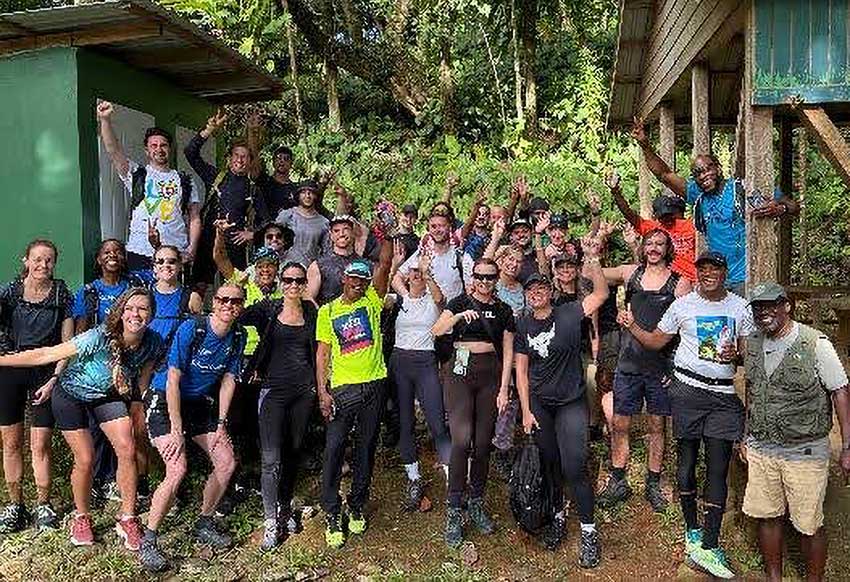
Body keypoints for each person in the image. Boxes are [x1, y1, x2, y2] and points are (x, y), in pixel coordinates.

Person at [621, 250, 752, 579]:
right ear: (697, 273)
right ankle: (692, 529)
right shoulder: (682, 305)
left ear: (724, 272)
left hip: (722, 396)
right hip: (687, 391)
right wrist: (632, 324)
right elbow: (655, 341)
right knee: (687, 463)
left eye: (715, 268)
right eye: (703, 268)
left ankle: (709, 544)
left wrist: (738, 355)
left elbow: (750, 355)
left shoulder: (739, 307)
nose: (709, 273)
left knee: (718, 468)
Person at [0, 288, 160, 550]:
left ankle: (128, 518)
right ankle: (81, 517)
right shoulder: (98, 336)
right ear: (120, 311)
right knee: (85, 458)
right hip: (71, 394)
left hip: (106, 395)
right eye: (130, 308)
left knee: (127, 449)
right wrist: (3, 361)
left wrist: (138, 403)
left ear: (152, 314)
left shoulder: (153, 341)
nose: (136, 313)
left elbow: (143, 376)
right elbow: (46, 355)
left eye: (143, 308)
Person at [741, 282, 850, 582]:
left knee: (808, 524)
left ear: (786, 306)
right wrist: (745, 435)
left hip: (805, 451)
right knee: (767, 516)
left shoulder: (814, 343)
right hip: (763, 448)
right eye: (759, 306)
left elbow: (840, 391)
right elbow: (753, 389)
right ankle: (775, 577)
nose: (765, 312)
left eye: (772, 304)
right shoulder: (752, 343)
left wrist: (847, 448)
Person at [139, 284, 247, 571]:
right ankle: (148, 541)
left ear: (242, 305)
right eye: (223, 299)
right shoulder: (193, 329)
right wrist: (176, 429)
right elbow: (173, 379)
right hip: (165, 398)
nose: (229, 305)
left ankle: (205, 521)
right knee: (177, 469)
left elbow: (228, 380)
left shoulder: (238, 335)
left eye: (236, 301)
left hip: (198, 402)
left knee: (226, 462)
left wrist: (221, 423)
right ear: (214, 302)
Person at [515, 236, 608, 565]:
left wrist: (593, 259)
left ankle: (588, 529)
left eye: (541, 287)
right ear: (526, 295)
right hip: (540, 404)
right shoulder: (523, 324)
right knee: (550, 464)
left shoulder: (569, 314)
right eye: (531, 290)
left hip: (570, 401)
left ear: (550, 291)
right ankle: (556, 516)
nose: (536, 292)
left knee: (574, 464)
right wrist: (525, 411)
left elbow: (601, 294)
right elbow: (521, 371)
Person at [631, 118, 798, 295]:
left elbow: (793, 206)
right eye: (697, 174)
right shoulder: (698, 195)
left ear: (718, 168)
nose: (703, 176)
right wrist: (644, 144)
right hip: (717, 278)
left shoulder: (742, 188)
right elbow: (664, 174)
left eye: (707, 169)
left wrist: (781, 209)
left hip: (747, 276)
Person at [597, 229, 691, 512]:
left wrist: (674, 367)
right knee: (620, 423)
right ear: (642, 247)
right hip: (628, 363)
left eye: (659, 243)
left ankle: (653, 481)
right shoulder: (631, 274)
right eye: (649, 243)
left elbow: (685, 330)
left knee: (656, 426)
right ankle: (618, 479)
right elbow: (595, 275)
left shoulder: (679, 283)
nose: (653, 248)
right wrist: (592, 252)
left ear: (667, 248)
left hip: (660, 366)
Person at [315, 237, 393, 549]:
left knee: (366, 447)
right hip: (343, 389)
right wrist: (323, 392)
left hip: (374, 384)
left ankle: (357, 503)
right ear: (344, 279)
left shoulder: (372, 302)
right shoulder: (328, 311)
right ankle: (332, 511)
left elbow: (385, 264)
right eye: (354, 278)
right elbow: (322, 355)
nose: (359, 284)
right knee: (334, 448)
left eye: (363, 279)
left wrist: (386, 234)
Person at [432, 258, 515, 548]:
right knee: (461, 440)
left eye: (490, 277)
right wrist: (457, 317)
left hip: (490, 374)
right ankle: (455, 506)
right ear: (473, 277)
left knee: (482, 443)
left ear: (496, 279)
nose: (484, 282)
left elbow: (508, 349)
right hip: (460, 371)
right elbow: (437, 330)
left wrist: (504, 389)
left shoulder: (504, 310)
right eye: (479, 276)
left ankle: (477, 500)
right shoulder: (459, 301)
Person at [238, 262, 317, 550]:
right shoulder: (268, 309)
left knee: (293, 452)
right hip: (273, 390)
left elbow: (321, 350)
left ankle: (284, 508)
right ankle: (270, 520)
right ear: (282, 282)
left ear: (305, 283)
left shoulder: (312, 312)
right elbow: (236, 316)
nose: (293, 285)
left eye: (299, 280)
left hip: (303, 392)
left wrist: (318, 387)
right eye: (288, 280)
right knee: (271, 458)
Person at [0, 240, 73, 533]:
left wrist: (56, 377)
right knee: (11, 443)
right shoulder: (9, 292)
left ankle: (43, 505)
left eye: (49, 260)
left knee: (40, 444)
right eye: (38, 259)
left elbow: (67, 344)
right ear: (26, 261)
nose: (43, 265)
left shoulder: (60, 293)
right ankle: (15, 505)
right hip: (11, 369)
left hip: (45, 371)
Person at [72, 239, 146, 503]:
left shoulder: (134, 286)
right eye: (106, 252)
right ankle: (97, 480)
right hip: (98, 367)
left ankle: (118, 480)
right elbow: (81, 329)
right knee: (96, 426)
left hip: (129, 363)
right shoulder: (89, 291)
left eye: (117, 251)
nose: (112, 255)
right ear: (98, 260)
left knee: (124, 425)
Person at [96, 101, 202, 271]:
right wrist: (105, 120)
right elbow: (113, 151)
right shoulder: (137, 174)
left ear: (170, 149)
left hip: (174, 252)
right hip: (140, 251)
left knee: (171, 296)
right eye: (154, 145)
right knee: (140, 297)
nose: (159, 149)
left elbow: (195, 217)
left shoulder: (185, 180)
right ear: (146, 150)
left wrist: (192, 250)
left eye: (163, 145)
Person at [389, 244, 450, 509]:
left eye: (419, 273)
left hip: (425, 361)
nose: (415, 276)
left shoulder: (432, 301)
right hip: (400, 361)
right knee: (405, 423)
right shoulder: (399, 299)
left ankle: (453, 478)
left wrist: (428, 274)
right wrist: (399, 262)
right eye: (412, 273)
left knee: (437, 421)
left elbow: (440, 299)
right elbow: (391, 280)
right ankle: (413, 478)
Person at [140, 245, 203, 499]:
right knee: (143, 431)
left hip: (181, 376)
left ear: (180, 265)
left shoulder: (190, 297)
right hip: (148, 375)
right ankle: (144, 483)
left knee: (180, 429)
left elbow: (200, 335)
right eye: (161, 261)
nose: (166, 266)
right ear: (153, 267)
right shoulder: (144, 298)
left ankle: (177, 486)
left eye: (172, 261)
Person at [185, 109, 257, 287]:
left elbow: (266, 219)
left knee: (236, 288)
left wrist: (252, 234)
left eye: (245, 157)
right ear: (229, 159)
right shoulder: (215, 176)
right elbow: (190, 153)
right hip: (208, 239)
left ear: (249, 162)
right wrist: (209, 129)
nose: (240, 160)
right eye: (236, 155)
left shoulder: (253, 188)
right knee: (199, 286)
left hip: (235, 244)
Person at [608, 171, 696, 283]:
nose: (667, 219)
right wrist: (616, 192)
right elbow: (628, 214)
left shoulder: (689, 225)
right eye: (663, 216)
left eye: (669, 215)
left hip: (690, 279)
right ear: (656, 216)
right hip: (664, 281)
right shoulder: (653, 229)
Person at [393, 208, 473, 303]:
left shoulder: (461, 258)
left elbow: (471, 290)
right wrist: (408, 299)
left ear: (450, 228)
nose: (437, 230)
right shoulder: (421, 255)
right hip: (424, 315)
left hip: (451, 314)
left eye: (441, 226)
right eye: (433, 226)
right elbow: (397, 278)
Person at [307, 215, 362, 305]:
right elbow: (309, 299)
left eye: (346, 229)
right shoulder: (317, 265)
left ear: (353, 233)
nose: (341, 234)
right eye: (336, 231)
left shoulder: (364, 264)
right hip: (328, 316)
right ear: (331, 235)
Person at [276, 180, 330, 266]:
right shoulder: (287, 215)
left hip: (309, 270)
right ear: (298, 195)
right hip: (285, 268)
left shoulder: (324, 222)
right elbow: (273, 239)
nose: (307, 196)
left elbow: (327, 251)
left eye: (311, 192)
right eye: (303, 192)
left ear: (316, 196)